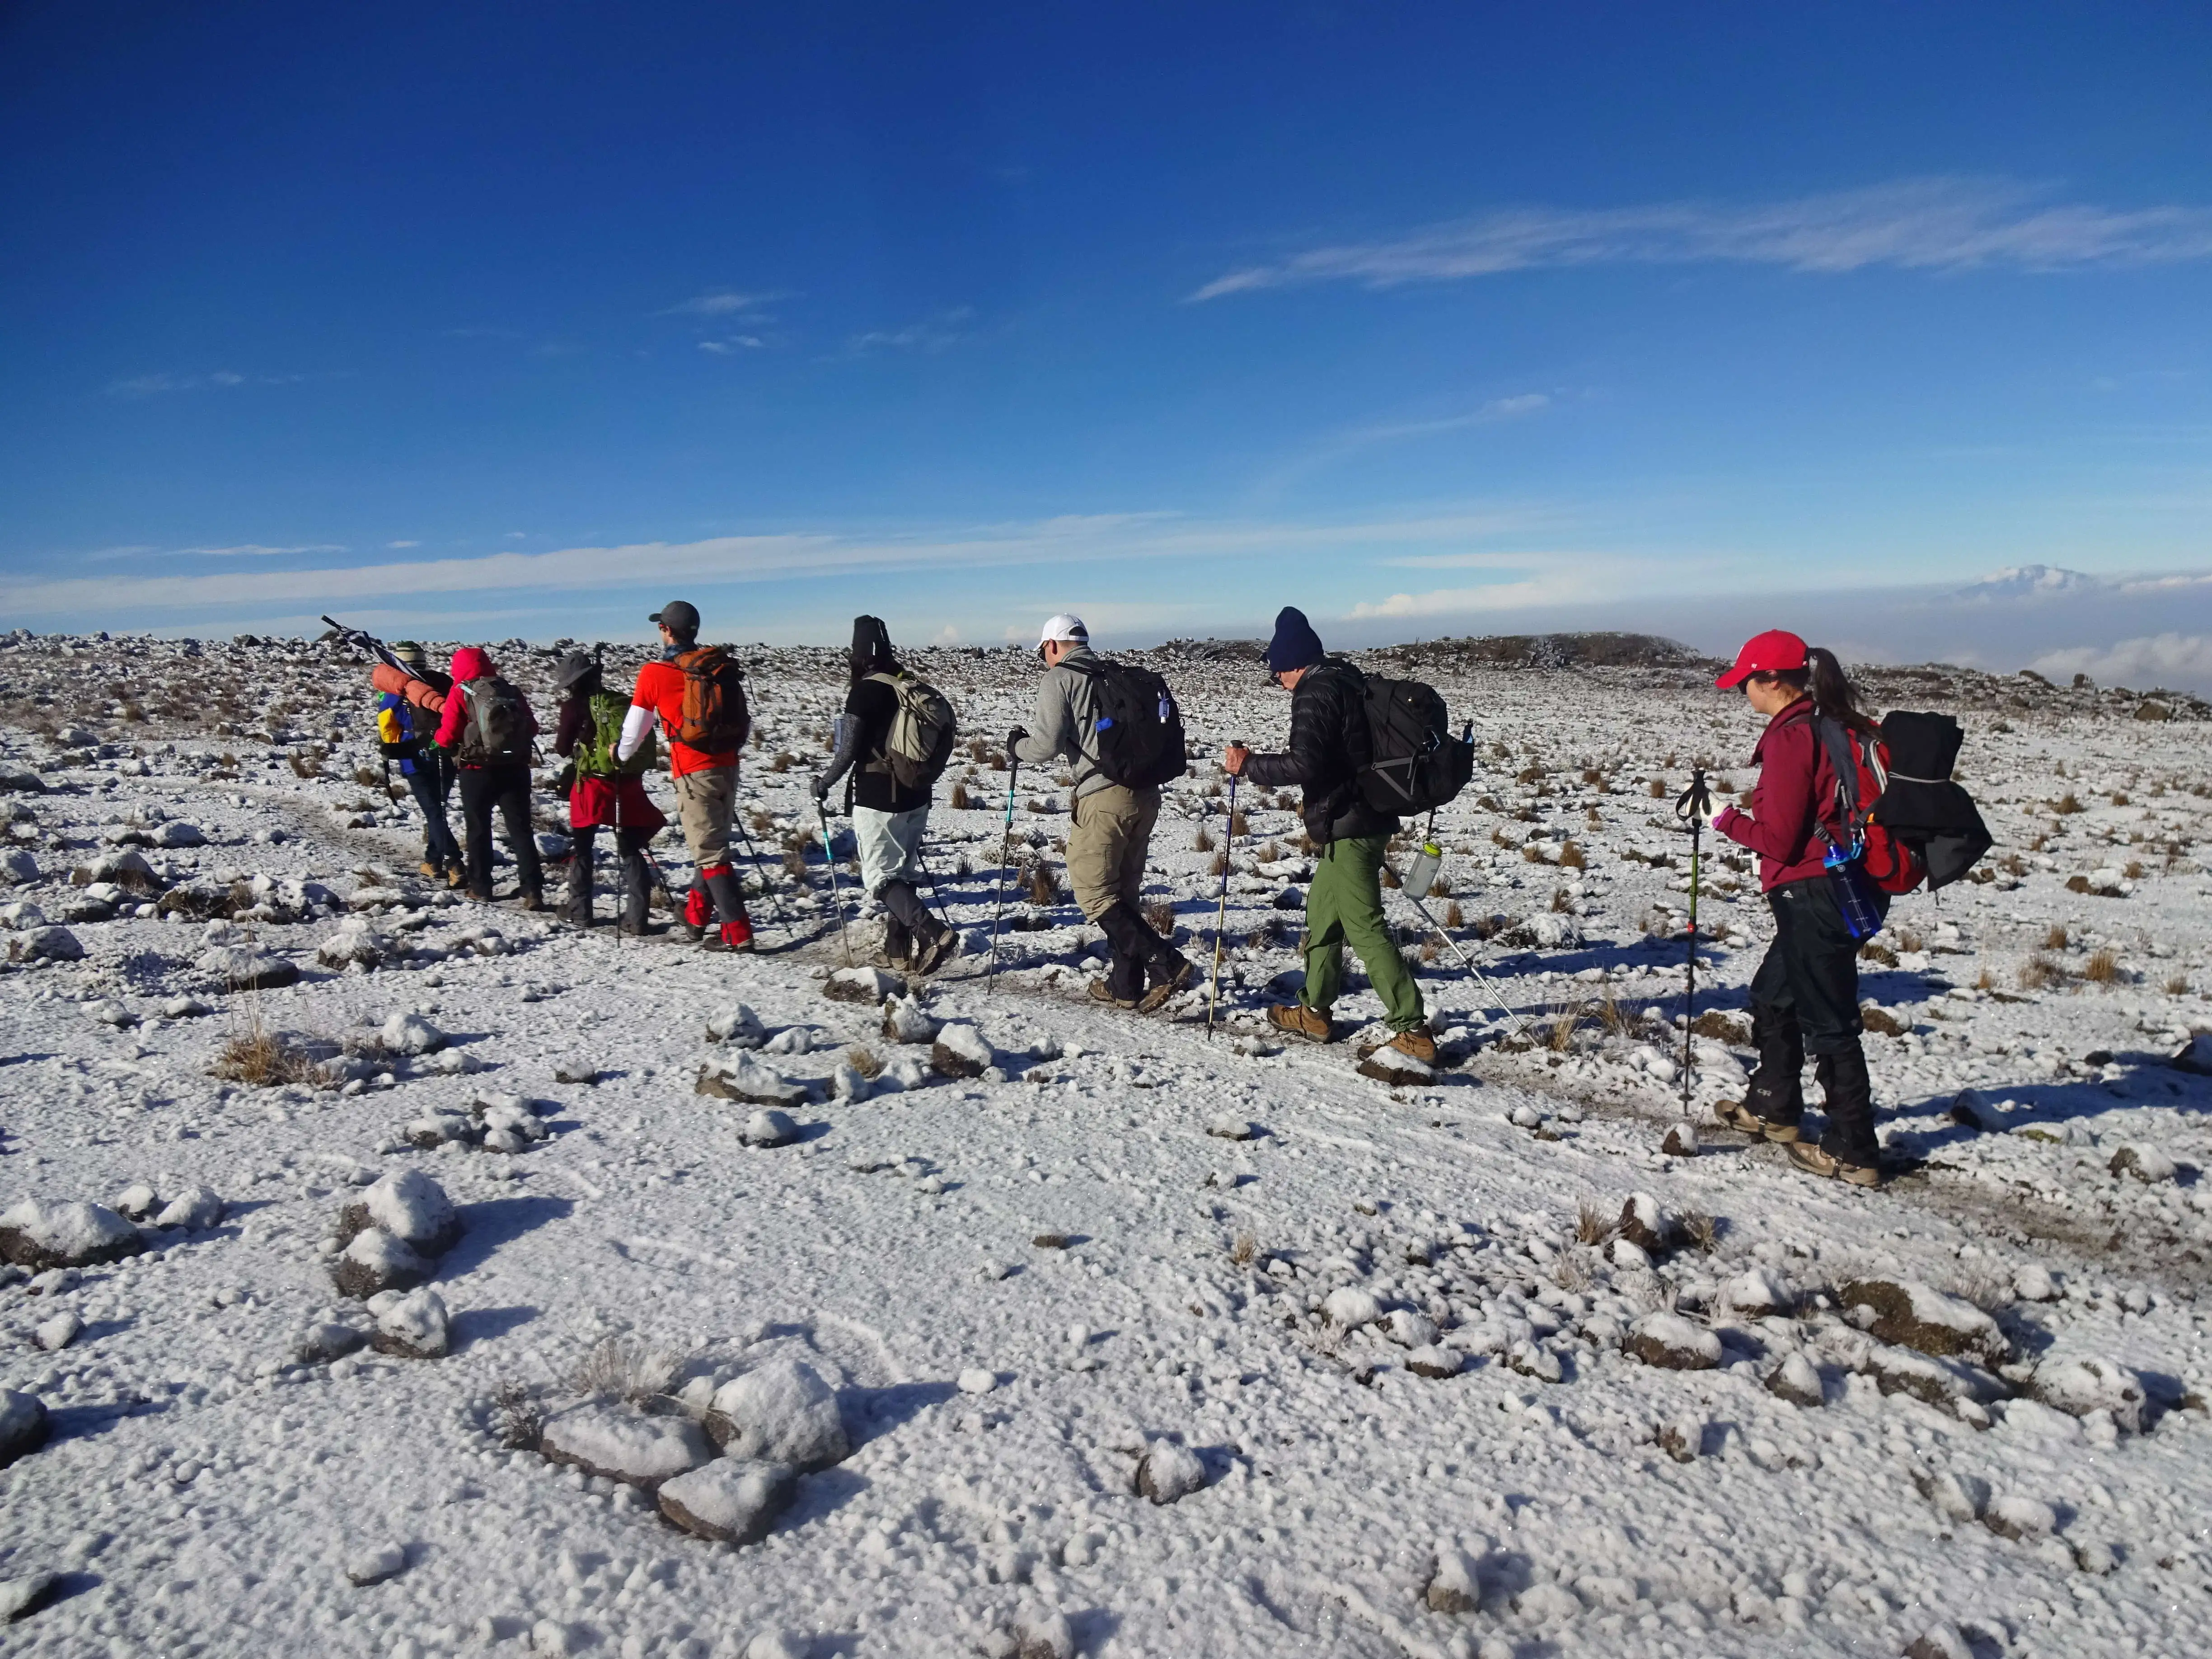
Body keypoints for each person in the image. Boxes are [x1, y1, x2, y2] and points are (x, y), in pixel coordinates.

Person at [1708, 630, 1887, 1187]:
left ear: (1772, 681)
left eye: (1746, 683)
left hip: (1812, 893)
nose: (1744, 693)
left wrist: (1721, 818)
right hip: (1841, 886)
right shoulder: (1832, 723)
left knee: (1829, 1022)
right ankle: (1773, 1106)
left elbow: (1780, 839)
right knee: (1773, 995)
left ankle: (1853, 1148)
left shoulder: (1792, 738)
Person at [1223, 606, 1434, 1064]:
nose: (1277, 678)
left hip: (1352, 823)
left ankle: (1412, 1028)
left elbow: (1306, 763)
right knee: (1323, 916)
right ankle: (1315, 1010)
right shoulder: (1344, 679)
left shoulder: (1315, 692)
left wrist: (1250, 766)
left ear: (1292, 662)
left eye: (1278, 669)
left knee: (1364, 928)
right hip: (1357, 817)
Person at [1009, 614, 1193, 1011]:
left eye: (1044, 651)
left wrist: (1016, 748)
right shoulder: (1113, 675)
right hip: (1146, 795)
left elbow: (1045, 747)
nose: (1044, 658)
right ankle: (1125, 986)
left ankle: (1166, 963)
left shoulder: (1060, 680)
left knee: (1094, 892)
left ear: (1053, 646)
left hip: (1104, 796)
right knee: (1122, 892)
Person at [811, 616, 959, 973]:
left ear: (858, 653)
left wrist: (824, 783)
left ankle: (933, 932)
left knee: (881, 878)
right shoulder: (906, 683)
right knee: (903, 875)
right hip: (917, 793)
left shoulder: (864, 691)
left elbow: (847, 751)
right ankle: (897, 952)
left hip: (879, 797)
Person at [615, 600, 754, 952]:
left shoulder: (654, 673)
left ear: (665, 630)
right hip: (728, 765)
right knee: (712, 845)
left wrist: (620, 755)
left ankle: (738, 934)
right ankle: (696, 918)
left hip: (693, 771)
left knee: (709, 853)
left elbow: (636, 729)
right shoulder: (713, 666)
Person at [552, 649, 665, 933]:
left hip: (592, 784)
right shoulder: (616, 702)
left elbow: (562, 750)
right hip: (626, 781)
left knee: (583, 846)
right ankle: (637, 917)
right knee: (629, 846)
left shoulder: (573, 707)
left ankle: (580, 910)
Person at [432, 645, 544, 908]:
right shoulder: (509, 690)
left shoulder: (460, 692)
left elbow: (448, 734)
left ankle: (481, 887)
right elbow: (534, 727)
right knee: (521, 829)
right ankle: (533, 890)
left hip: (477, 771)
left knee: (479, 828)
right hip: (516, 768)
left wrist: (437, 741)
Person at [376, 641, 463, 886]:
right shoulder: (444, 683)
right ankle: (432, 861)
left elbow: (387, 726)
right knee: (439, 810)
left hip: (415, 758)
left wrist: (394, 748)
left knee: (434, 812)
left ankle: (455, 862)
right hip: (447, 755)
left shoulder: (397, 690)